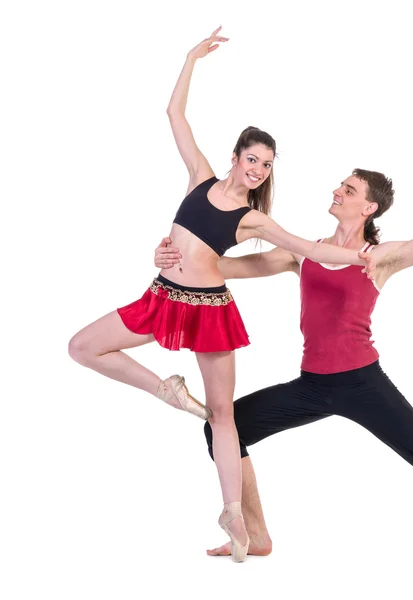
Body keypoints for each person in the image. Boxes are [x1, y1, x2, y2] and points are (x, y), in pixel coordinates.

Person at [67, 28, 383, 563]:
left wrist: (358, 257)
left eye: (266, 164)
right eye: (252, 158)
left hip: (209, 310)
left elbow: (307, 246)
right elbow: (175, 116)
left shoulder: (253, 216)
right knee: (82, 346)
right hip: (162, 296)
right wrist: (192, 58)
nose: (257, 169)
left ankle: (234, 516)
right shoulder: (199, 177)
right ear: (235, 157)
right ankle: (165, 390)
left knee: (222, 414)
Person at [155, 168, 413, 560]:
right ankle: (258, 535)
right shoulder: (303, 254)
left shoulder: (380, 257)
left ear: (369, 207)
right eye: (341, 186)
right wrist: (171, 254)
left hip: (362, 384)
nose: (337, 192)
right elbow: (218, 267)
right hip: (311, 386)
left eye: (349, 190)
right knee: (222, 427)